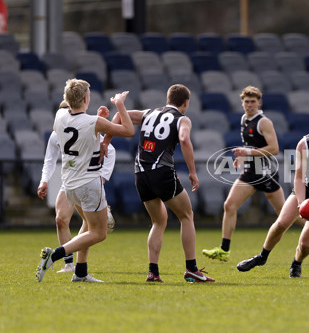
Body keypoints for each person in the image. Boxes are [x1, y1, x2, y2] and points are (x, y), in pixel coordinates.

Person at [103, 84, 214, 283]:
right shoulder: (182, 118)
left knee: (158, 220)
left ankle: (153, 272)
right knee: (187, 216)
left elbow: (120, 116)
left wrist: (106, 141)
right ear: (186, 102)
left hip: (140, 173)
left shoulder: (149, 112)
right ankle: (191, 269)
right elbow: (185, 140)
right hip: (162, 172)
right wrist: (192, 172)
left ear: (167, 98)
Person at [202, 86, 309, 261]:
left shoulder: (263, 122)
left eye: (253, 102)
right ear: (242, 103)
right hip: (250, 171)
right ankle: (224, 249)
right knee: (229, 205)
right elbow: (251, 146)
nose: (250, 105)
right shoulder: (244, 119)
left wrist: (248, 153)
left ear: (259, 102)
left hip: (266, 172)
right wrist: (243, 158)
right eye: (246, 102)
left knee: (283, 214)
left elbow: (274, 149)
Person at [237, 102, 309, 278]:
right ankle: (262, 256)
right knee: (281, 224)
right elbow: (299, 177)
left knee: (305, 243)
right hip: (305, 190)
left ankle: (296, 263)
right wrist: (301, 204)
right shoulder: (305, 144)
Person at [36, 79, 135, 283]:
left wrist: (97, 121)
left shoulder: (60, 116)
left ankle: (80, 272)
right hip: (89, 184)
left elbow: (79, 128)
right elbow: (129, 131)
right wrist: (120, 105)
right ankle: (54, 255)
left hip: (69, 185)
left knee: (87, 226)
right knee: (99, 233)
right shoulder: (93, 122)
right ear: (85, 98)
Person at [37, 100, 117, 273]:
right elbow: (50, 160)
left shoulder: (84, 127)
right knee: (61, 220)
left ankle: (78, 267)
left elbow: (110, 150)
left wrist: (102, 177)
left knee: (90, 226)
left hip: (86, 181)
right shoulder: (56, 134)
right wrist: (44, 180)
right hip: (68, 181)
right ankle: (70, 265)